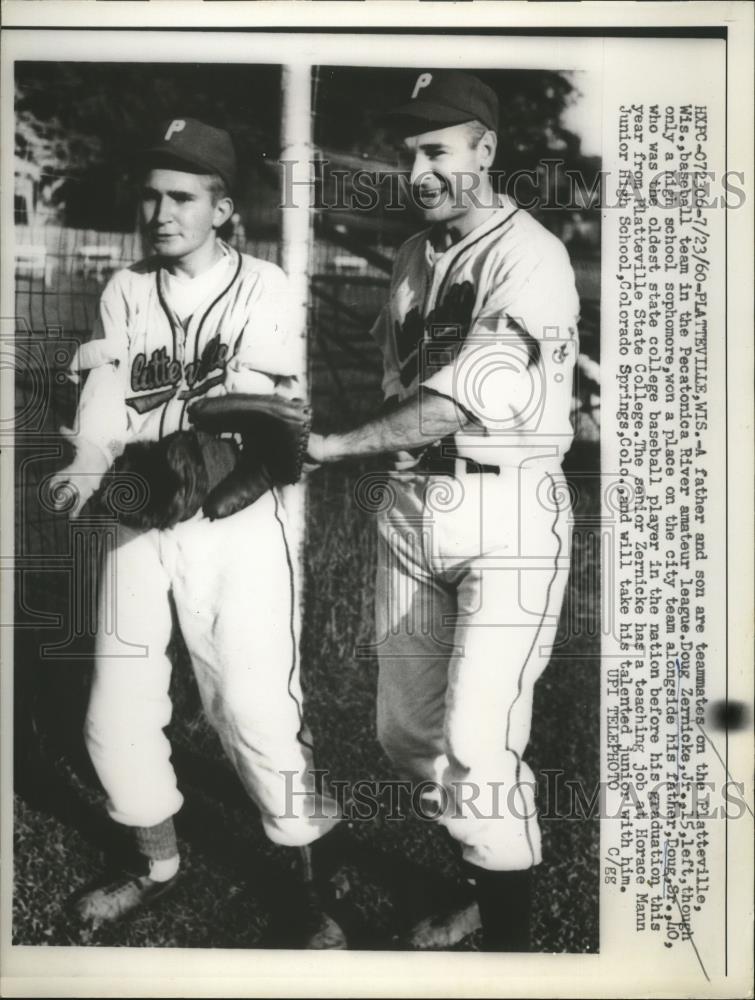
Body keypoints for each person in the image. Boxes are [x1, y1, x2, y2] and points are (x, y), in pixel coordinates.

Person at [51, 117, 344, 947]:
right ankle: (154, 864)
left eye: (181, 196)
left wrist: (144, 459)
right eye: (150, 195)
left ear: (221, 208)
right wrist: (86, 460)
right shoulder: (124, 288)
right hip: (141, 516)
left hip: (237, 526)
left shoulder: (265, 286)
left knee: (251, 709)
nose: (160, 211)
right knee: (115, 709)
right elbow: (106, 395)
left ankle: (304, 885)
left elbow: (248, 426)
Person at [307, 71, 580, 951]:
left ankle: (507, 941)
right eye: (406, 153)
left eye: (435, 149)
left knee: (474, 737)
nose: (415, 170)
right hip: (414, 505)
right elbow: (402, 388)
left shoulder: (526, 255)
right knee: (404, 736)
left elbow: (462, 400)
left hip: (506, 514)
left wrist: (334, 446)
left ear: (485, 150)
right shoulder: (412, 257)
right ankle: (483, 868)